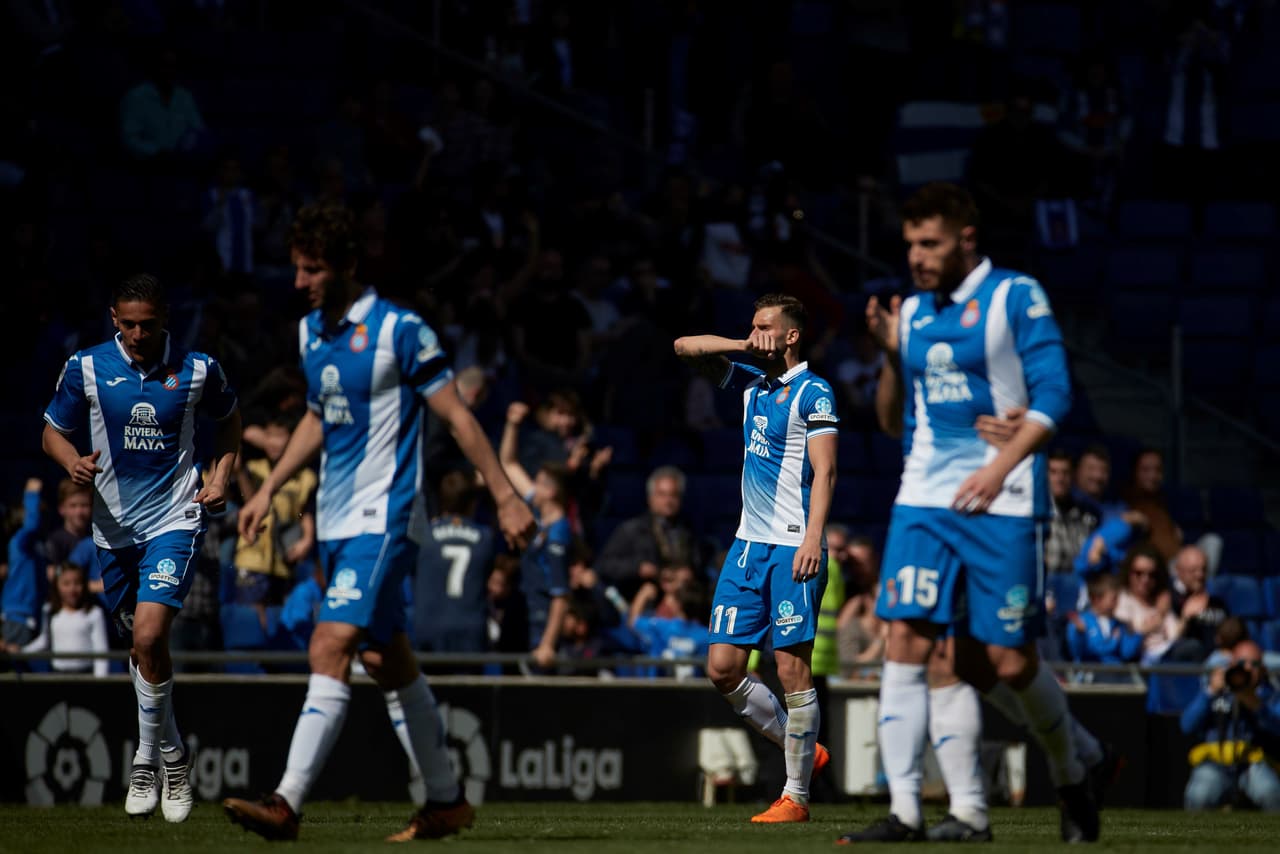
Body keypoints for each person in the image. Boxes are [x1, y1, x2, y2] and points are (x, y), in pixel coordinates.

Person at [222, 205, 535, 843]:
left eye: (313, 269)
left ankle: (285, 803)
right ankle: (446, 801)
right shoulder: (311, 333)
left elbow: (458, 418)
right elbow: (318, 415)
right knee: (384, 659)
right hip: (335, 523)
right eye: (298, 268)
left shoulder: (401, 330)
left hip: (385, 517)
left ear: (347, 266)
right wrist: (271, 487)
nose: (301, 281)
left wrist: (504, 494)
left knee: (329, 644)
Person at [837, 183, 1099, 843]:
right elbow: (894, 420)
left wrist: (999, 466)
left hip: (1004, 500)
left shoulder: (1016, 295)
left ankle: (1073, 766)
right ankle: (904, 811)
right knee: (907, 641)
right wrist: (894, 352)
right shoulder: (915, 313)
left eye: (931, 243)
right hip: (924, 499)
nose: (919, 257)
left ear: (966, 239)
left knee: (1005, 662)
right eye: (911, 245)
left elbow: (1056, 393)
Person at [42, 273, 241, 822]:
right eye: (127, 324)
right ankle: (175, 752)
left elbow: (229, 425)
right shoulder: (85, 367)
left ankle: (148, 760)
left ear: (165, 320)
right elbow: (51, 431)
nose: (136, 334)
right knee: (142, 653)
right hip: (113, 531)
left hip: (175, 518)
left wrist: (222, 478)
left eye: (147, 325)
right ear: (113, 318)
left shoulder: (199, 369)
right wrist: (70, 462)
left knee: (151, 634)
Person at [673, 292, 838, 823]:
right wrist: (745, 342)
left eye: (766, 325)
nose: (756, 331)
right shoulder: (751, 387)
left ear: (791, 335)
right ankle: (804, 749)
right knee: (722, 667)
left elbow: (827, 471)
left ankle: (796, 796)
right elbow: (684, 347)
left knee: (792, 669)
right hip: (747, 546)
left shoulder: (814, 392)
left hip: (794, 544)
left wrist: (814, 537)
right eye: (753, 325)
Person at [500, 401, 571, 671]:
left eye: (539, 483)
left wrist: (548, 644)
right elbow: (508, 463)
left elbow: (561, 594)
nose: (533, 487)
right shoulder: (538, 515)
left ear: (552, 492)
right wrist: (512, 424)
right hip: (525, 613)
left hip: (541, 625)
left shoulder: (559, 532)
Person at [1181, 639, 1280, 811]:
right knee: (1199, 796)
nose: (1247, 668)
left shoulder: (1268, 694)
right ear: (1231, 665)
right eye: (1242, 663)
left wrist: (1257, 706)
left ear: (1263, 669)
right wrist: (1210, 692)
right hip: (1214, 762)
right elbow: (1187, 725)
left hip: (1253, 763)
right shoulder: (1216, 689)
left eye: (1254, 663)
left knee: (1270, 792)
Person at [413, 471, 497, 656]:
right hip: (470, 628)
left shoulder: (424, 536)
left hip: (428, 626)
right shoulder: (485, 538)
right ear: (472, 504)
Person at [595, 466, 702, 601]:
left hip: (683, 600)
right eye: (662, 494)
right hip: (645, 599)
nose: (668, 501)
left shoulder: (688, 530)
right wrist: (639, 568)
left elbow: (699, 564)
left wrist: (688, 573)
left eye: (673, 495)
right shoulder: (632, 530)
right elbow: (604, 565)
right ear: (651, 498)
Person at [23, 563, 110, 677]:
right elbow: (44, 640)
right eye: (66, 584)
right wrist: (21, 652)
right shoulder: (50, 611)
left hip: (85, 675)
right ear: (57, 585)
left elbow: (101, 651)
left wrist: (99, 681)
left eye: (77, 583)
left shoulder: (94, 613)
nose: (72, 589)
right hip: (58, 676)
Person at [2, 479, 48, 655]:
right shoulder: (20, 541)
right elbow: (32, 524)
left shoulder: (34, 546)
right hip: (17, 617)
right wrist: (31, 493)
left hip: (30, 617)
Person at [1066, 573, 1144, 670]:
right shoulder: (1081, 622)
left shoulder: (1119, 624)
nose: (1117, 602)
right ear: (1096, 599)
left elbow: (1126, 654)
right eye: (1113, 599)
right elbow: (1080, 651)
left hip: (1115, 677)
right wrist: (1079, 634)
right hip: (1090, 678)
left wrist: (1137, 633)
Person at [44, 478, 92, 567]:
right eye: (73, 506)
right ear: (61, 509)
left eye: (84, 505)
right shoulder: (55, 541)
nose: (79, 512)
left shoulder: (96, 539)